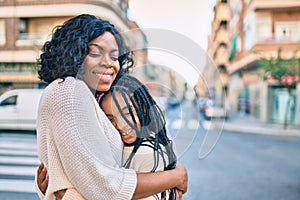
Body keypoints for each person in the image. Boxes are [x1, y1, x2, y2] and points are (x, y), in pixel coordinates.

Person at [36, 14, 187, 200]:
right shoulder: (68, 90)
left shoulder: (90, 96)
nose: (109, 63)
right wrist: (175, 176)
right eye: (96, 53)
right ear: (74, 53)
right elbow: (109, 188)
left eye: (114, 56)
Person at [100, 74, 177, 200]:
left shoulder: (147, 153)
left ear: (144, 109)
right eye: (111, 119)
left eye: (127, 113)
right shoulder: (124, 147)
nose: (120, 125)